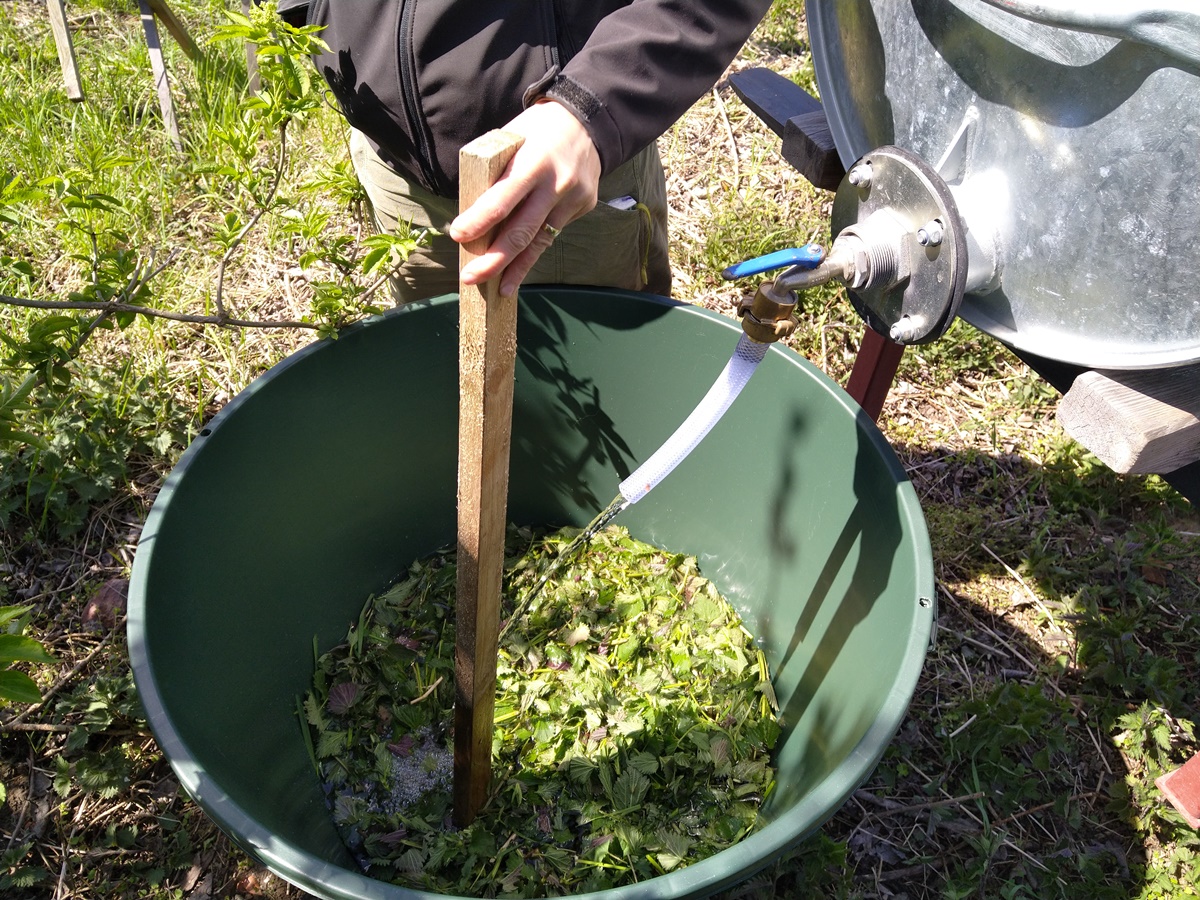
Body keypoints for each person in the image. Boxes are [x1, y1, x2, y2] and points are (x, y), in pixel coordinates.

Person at [280, 1, 773, 301]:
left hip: (568, 189)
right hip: (398, 180)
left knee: (599, 399)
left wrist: (591, 106)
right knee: (440, 388)